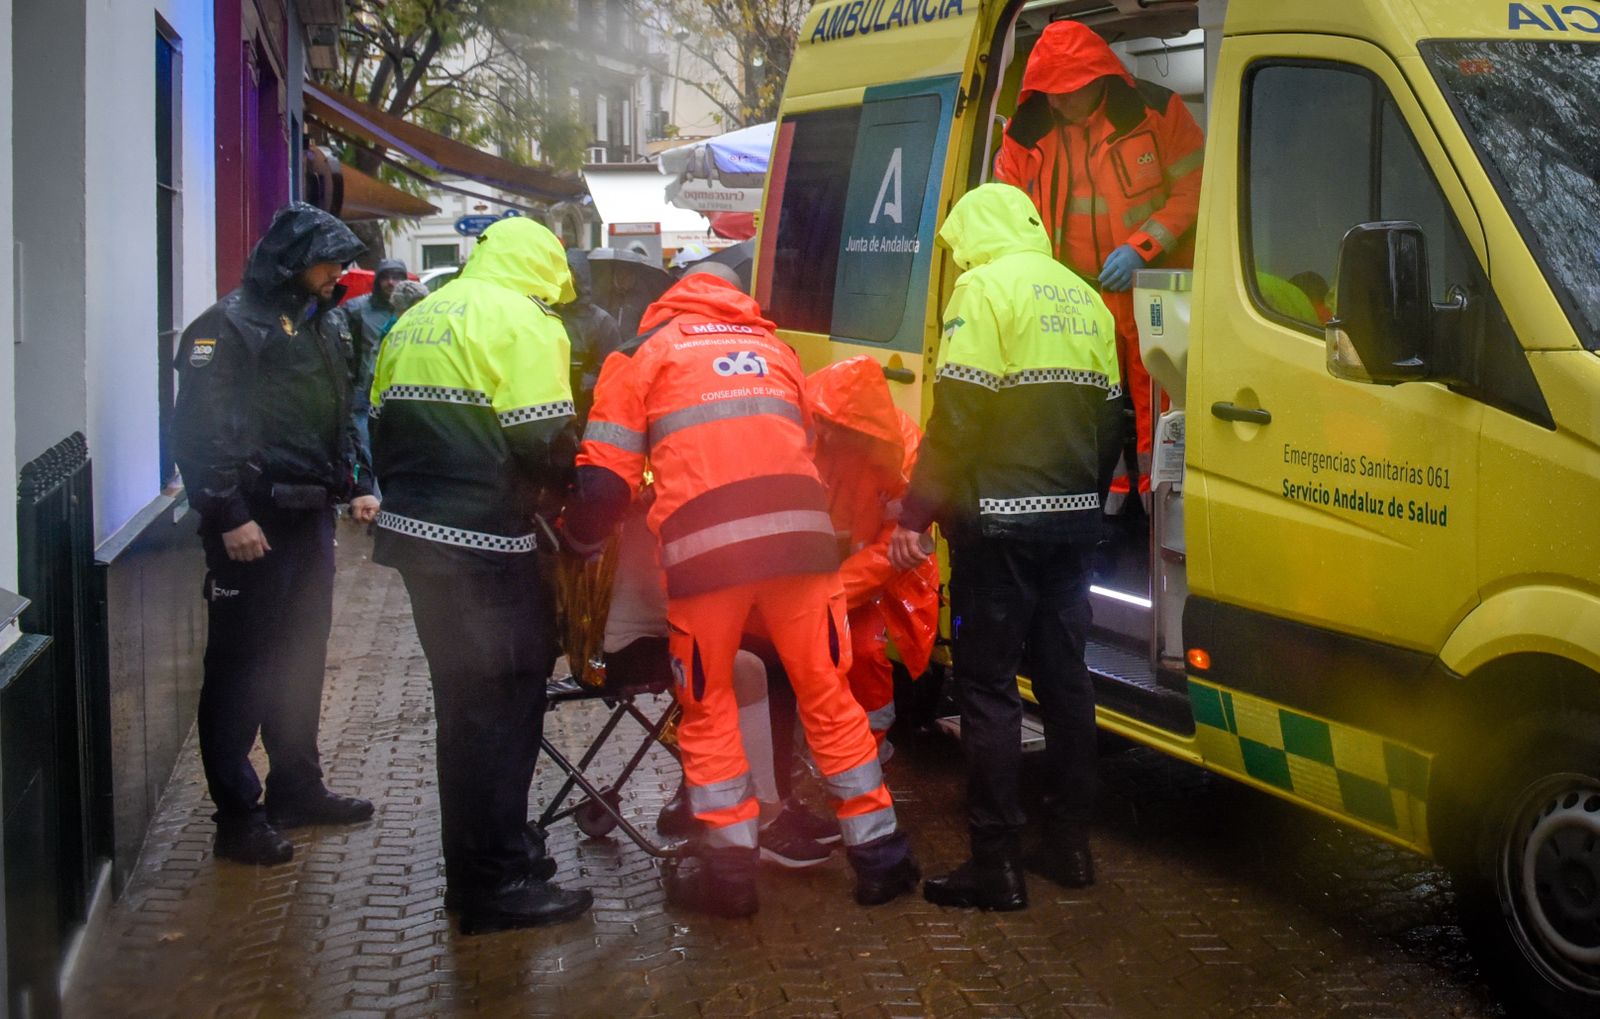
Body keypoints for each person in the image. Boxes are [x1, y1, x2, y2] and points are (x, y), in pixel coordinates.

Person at [567, 261, 921, 918]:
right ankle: (881, 856)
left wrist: (581, 542)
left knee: (709, 703)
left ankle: (728, 874)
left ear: (674, 295)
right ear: (738, 296)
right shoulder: (776, 350)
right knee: (827, 692)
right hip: (800, 542)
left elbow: (606, 479)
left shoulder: (642, 353)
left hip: (708, 553)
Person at [889, 183, 1121, 911]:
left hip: (997, 527)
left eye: (958, 250)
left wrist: (915, 513)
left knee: (987, 688)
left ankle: (997, 864)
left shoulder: (985, 292)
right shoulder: (1083, 297)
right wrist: (1084, 495)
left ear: (974, 237)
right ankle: (1070, 847)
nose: (958, 263)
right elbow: (1113, 421)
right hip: (1072, 524)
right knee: (1065, 681)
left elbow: (957, 417)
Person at [367, 216, 592, 935]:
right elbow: (544, 441)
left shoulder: (419, 317)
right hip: (485, 545)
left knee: (464, 710)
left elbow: (376, 418)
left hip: (414, 540)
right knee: (507, 702)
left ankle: (479, 864)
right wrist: (579, 493)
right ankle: (497, 882)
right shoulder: (524, 322)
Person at [171, 202, 380, 866]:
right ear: (294, 259)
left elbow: (340, 410)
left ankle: (297, 784)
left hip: (308, 517)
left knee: (299, 655)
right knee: (240, 668)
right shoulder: (227, 327)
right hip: (253, 523)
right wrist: (228, 512)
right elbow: (199, 429)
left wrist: (360, 480)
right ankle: (237, 813)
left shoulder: (326, 324)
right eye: (330, 261)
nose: (339, 273)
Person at [993, 19, 1204, 513]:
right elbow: (1006, 208)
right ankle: (1097, 511)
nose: (1056, 103)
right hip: (1070, 298)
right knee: (1079, 402)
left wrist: (1142, 248)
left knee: (1159, 401)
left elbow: (1195, 188)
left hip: (1150, 292)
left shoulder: (1156, 112)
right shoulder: (1026, 132)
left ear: (1096, 79)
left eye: (1066, 92)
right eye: (1047, 92)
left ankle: (1160, 509)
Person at [808, 356, 941, 752]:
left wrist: (830, 593)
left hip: (876, 581)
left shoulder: (904, 452)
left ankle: (869, 748)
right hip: (820, 573)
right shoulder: (806, 434)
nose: (824, 433)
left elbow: (895, 549)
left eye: (834, 426)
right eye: (822, 422)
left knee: (864, 650)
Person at [340, 258, 409, 470]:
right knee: (366, 446)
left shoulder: (414, 310)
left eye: (397, 277)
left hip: (399, 389)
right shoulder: (357, 308)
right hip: (364, 391)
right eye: (386, 277)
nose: (391, 282)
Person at [559, 249, 622, 411]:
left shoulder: (601, 321)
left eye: (568, 272)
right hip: (556, 404)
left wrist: (585, 380)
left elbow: (614, 369)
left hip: (589, 403)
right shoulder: (547, 314)